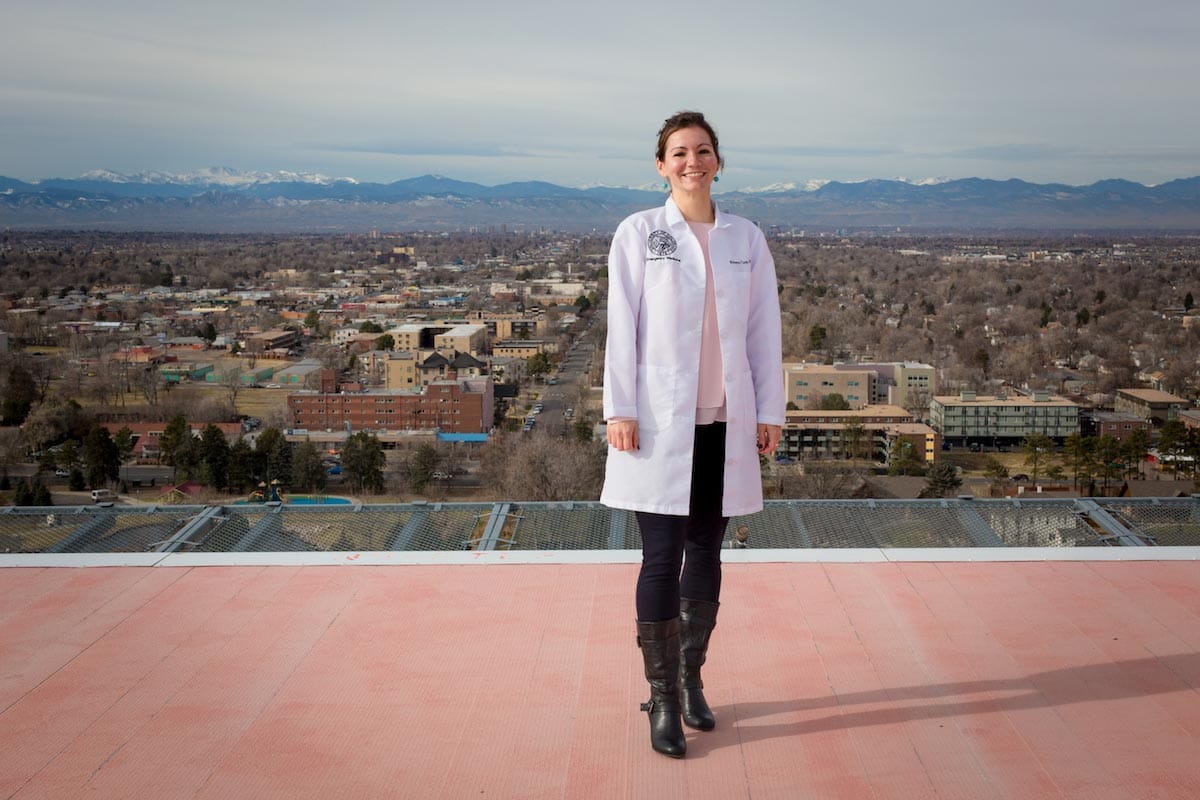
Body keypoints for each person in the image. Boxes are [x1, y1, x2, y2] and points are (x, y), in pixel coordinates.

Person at [602, 110, 785, 758]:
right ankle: (662, 700)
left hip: (723, 422)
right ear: (661, 164)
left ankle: (691, 678)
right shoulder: (639, 233)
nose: (691, 162)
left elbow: (764, 332)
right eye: (679, 153)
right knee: (661, 556)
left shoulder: (745, 238)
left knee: (707, 550)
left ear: (717, 161)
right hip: (658, 420)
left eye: (702, 151)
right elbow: (621, 327)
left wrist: (769, 412)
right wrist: (618, 409)